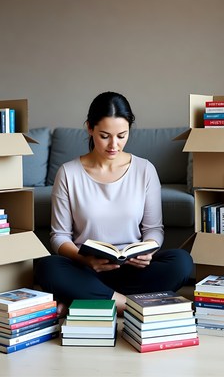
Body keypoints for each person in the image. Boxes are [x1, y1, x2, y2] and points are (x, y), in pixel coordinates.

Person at [35, 91, 193, 317]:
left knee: (182, 262)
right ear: (90, 128)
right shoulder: (68, 173)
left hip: (133, 270)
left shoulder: (144, 170)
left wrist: (148, 250)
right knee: (47, 267)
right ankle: (130, 306)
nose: (114, 145)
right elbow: (59, 236)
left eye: (121, 135)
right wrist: (85, 259)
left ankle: (85, 299)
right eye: (105, 135)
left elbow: (153, 230)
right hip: (87, 269)